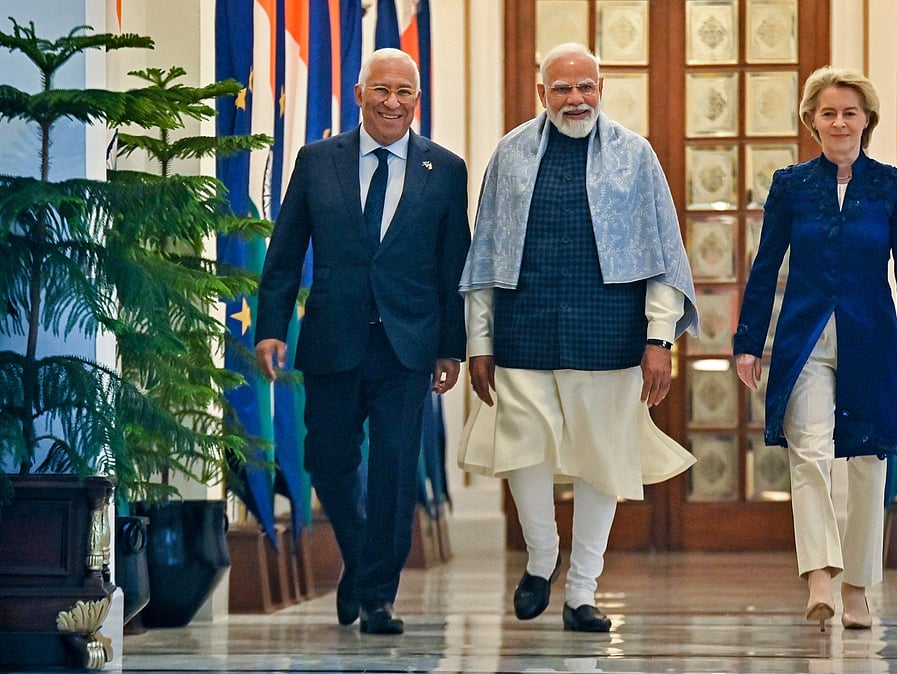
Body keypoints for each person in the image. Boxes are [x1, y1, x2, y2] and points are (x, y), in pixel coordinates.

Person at [458, 42, 698, 633]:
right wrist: (479, 341)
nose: (575, 98)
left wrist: (659, 340)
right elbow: (486, 251)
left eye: (585, 86)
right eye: (562, 88)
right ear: (541, 94)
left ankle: (583, 591)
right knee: (521, 448)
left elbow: (662, 254)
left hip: (609, 332)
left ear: (601, 90)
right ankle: (542, 558)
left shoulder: (635, 156)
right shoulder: (510, 154)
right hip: (524, 327)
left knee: (602, 462)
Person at [255, 48, 470, 635]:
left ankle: (377, 596)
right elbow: (285, 250)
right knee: (326, 459)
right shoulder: (317, 160)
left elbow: (455, 265)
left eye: (404, 92)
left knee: (395, 469)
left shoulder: (446, 171)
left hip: (409, 344)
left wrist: (453, 347)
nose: (392, 102)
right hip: (333, 335)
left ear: (417, 101)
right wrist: (271, 325)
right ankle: (360, 561)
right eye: (381, 91)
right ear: (359, 95)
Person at [733, 66, 897, 632]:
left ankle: (858, 590)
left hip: (874, 338)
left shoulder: (895, 188)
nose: (839, 122)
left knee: (870, 464)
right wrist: (749, 342)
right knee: (811, 452)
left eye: (849, 112)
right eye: (828, 112)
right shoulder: (791, 185)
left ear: (867, 120)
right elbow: (765, 264)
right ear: (811, 122)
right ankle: (820, 575)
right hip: (805, 339)